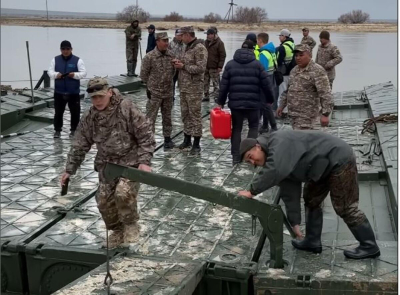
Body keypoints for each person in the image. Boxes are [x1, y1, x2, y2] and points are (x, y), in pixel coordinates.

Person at [238, 130, 381, 260]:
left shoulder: (278, 142)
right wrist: (295, 223)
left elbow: (274, 169)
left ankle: (369, 246)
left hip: (339, 159)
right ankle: (312, 241)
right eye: (248, 162)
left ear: (257, 146)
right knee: (311, 199)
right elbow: (289, 190)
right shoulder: (276, 157)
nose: (253, 162)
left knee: (345, 207)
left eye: (251, 157)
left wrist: (251, 191)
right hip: (320, 167)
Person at [60, 77, 156, 248]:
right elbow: (80, 143)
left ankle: (131, 225)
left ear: (110, 93)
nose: (97, 101)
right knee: (103, 200)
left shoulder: (126, 108)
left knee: (123, 193)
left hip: (130, 164)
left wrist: (144, 161)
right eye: (94, 98)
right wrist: (69, 169)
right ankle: (117, 231)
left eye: (100, 97)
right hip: (107, 166)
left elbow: (145, 134)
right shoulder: (90, 116)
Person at [217, 40, 275, 165]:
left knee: (236, 128)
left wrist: (220, 101)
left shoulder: (230, 65)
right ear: (252, 50)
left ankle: (236, 157)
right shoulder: (258, 65)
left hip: (235, 104)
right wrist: (270, 99)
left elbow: (224, 85)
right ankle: (250, 152)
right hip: (254, 104)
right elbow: (267, 85)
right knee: (253, 127)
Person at [277, 44, 333, 130]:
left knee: (304, 141)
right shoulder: (294, 70)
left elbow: (325, 93)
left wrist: (325, 114)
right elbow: (288, 91)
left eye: (301, 55)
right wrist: (281, 106)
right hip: (293, 115)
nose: (298, 58)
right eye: (296, 56)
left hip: (308, 117)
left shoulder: (317, 70)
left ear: (309, 55)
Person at [173, 26, 208, 156]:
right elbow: (184, 62)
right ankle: (186, 139)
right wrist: (178, 62)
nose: (180, 38)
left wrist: (184, 66)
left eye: (182, 35)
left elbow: (201, 68)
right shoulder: (185, 47)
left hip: (194, 88)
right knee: (185, 114)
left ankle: (196, 144)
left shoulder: (199, 48)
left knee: (195, 116)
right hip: (183, 87)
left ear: (188, 35)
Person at [140, 32, 175, 150]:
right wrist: (150, 87)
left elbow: (173, 73)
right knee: (150, 118)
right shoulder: (149, 57)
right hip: (154, 93)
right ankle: (149, 141)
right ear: (157, 41)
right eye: (164, 41)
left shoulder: (171, 55)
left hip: (168, 92)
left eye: (167, 41)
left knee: (167, 116)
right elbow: (143, 75)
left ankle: (167, 139)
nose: (166, 43)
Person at [48, 40, 87, 139]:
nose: (65, 51)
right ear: (60, 50)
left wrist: (74, 75)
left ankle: (74, 130)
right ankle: (57, 131)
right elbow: (50, 72)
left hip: (73, 92)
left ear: (71, 49)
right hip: (59, 92)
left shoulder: (78, 60)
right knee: (58, 112)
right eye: (63, 49)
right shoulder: (55, 60)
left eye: (67, 49)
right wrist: (57, 75)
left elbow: (83, 73)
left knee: (75, 112)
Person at [257, 33, 278, 133]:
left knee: (266, 104)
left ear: (260, 40)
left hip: (265, 81)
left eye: (257, 40)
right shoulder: (271, 51)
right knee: (265, 103)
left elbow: (262, 70)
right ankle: (265, 125)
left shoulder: (263, 54)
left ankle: (273, 126)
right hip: (271, 78)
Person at [203, 28, 226, 102]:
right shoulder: (205, 42)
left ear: (213, 34)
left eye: (209, 34)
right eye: (207, 34)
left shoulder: (220, 43)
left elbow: (223, 55)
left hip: (215, 67)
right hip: (206, 66)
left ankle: (217, 97)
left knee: (215, 83)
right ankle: (206, 96)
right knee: (205, 82)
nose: (208, 36)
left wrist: (220, 66)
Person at [276, 29, 295, 105]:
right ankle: (287, 110)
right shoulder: (293, 45)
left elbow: (279, 61)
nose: (279, 37)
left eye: (280, 36)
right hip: (292, 72)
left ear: (284, 36)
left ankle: (281, 112)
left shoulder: (282, 47)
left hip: (283, 73)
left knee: (282, 93)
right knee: (289, 92)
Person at [168, 29, 186, 100]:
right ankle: (171, 96)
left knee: (183, 83)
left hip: (182, 67)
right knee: (172, 82)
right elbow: (167, 55)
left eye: (181, 35)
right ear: (175, 35)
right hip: (173, 67)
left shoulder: (185, 44)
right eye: (178, 35)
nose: (180, 37)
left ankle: (183, 97)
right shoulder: (170, 44)